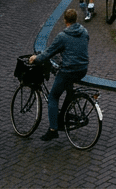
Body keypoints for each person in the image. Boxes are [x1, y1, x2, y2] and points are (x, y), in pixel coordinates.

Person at [30, 8, 89, 141]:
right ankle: (63, 117)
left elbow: (49, 53)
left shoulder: (62, 36)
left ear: (65, 20)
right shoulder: (84, 32)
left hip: (68, 71)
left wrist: (36, 58)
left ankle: (53, 130)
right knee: (68, 90)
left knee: (53, 96)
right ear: (76, 19)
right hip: (82, 69)